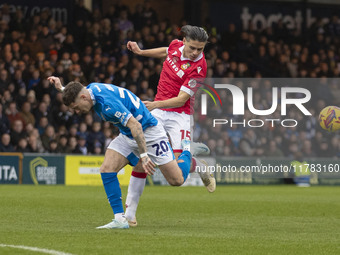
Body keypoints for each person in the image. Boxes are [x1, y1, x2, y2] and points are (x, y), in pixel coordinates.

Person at [48, 76, 208, 229]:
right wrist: (61, 87)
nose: (77, 111)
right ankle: (120, 219)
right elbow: (76, 91)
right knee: (107, 168)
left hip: (150, 133)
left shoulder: (107, 104)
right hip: (128, 134)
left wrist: (144, 156)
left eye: (76, 108)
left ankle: (188, 150)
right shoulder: (89, 90)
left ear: (83, 98)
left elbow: (136, 126)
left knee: (177, 179)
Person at [125, 25, 216, 227]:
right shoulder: (175, 45)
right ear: (183, 41)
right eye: (192, 47)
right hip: (158, 111)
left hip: (179, 116)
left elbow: (181, 99)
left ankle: (196, 165)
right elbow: (164, 51)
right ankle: (129, 214)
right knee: (143, 157)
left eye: (200, 49)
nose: (195, 53)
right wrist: (141, 52)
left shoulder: (199, 67)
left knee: (176, 175)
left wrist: (155, 104)